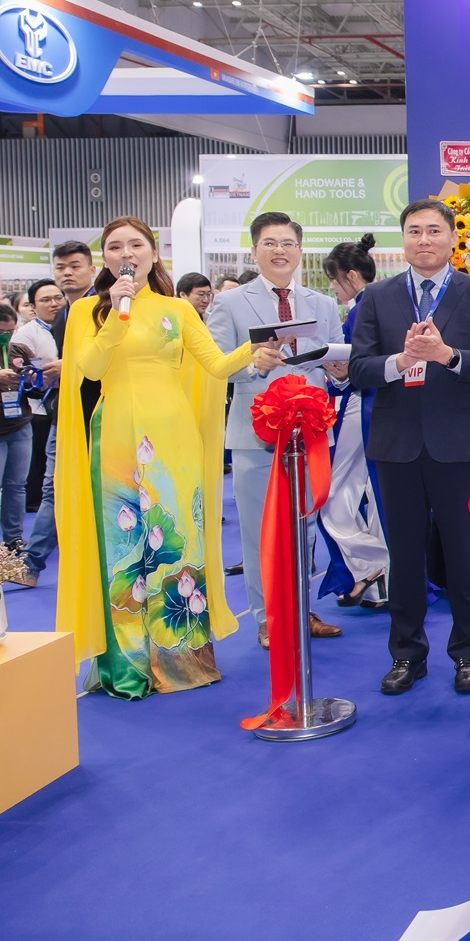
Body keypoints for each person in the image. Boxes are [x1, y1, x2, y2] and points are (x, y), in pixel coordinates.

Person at [54, 217, 280, 698]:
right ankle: (127, 666)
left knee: (179, 540)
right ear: (105, 259)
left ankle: (181, 659)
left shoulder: (177, 309)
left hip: (174, 438)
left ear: (154, 254)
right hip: (115, 437)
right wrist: (115, 315)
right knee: (123, 545)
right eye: (115, 246)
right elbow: (89, 369)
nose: (126, 253)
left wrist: (253, 352)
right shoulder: (86, 312)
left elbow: (215, 364)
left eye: (136, 244)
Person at [348, 199, 470, 696]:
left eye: (434, 230)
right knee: (404, 556)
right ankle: (407, 655)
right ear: (403, 239)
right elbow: (358, 369)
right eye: (414, 230)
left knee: (464, 555)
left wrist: (447, 355)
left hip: (457, 444)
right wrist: (399, 362)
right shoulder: (377, 297)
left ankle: (469, 654)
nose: (424, 240)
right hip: (395, 445)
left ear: (452, 238)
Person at [207, 213, 347, 649]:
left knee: (306, 527)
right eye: (269, 243)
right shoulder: (230, 303)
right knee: (259, 531)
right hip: (256, 434)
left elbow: (337, 360)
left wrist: (341, 373)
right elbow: (214, 367)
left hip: (310, 432)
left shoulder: (322, 304)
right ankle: (268, 617)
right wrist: (252, 363)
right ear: (255, 251)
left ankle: (300, 609)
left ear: (300, 251)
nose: (279, 250)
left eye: (287, 243)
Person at [320, 234, 390, 609]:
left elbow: (359, 366)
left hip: (360, 405)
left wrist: (340, 373)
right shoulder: (386, 302)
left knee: (332, 496)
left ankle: (373, 562)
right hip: (382, 407)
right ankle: (383, 580)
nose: (332, 288)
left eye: (333, 279)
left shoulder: (362, 309)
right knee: (377, 496)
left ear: (349, 275)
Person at [22, 243, 97, 586]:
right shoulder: (64, 314)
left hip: (102, 415)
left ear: (91, 269)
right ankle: (32, 564)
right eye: (60, 267)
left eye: (74, 266)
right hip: (65, 413)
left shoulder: (105, 307)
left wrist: (72, 366)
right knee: (55, 487)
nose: (67, 272)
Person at [16, 280, 64, 523]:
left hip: (73, 397)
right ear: (33, 307)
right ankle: (35, 506)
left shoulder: (72, 323)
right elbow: (23, 374)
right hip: (41, 402)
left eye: (57, 298)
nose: (54, 303)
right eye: (46, 300)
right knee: (42, 459)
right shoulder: (26, 334)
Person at [0, 303, 36, 556]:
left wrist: (33, 378)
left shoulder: (17, 349)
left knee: (17, 485)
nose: (5, 336)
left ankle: (14, 538)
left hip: (20, 425)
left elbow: (37, 380)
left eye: (10, 331)